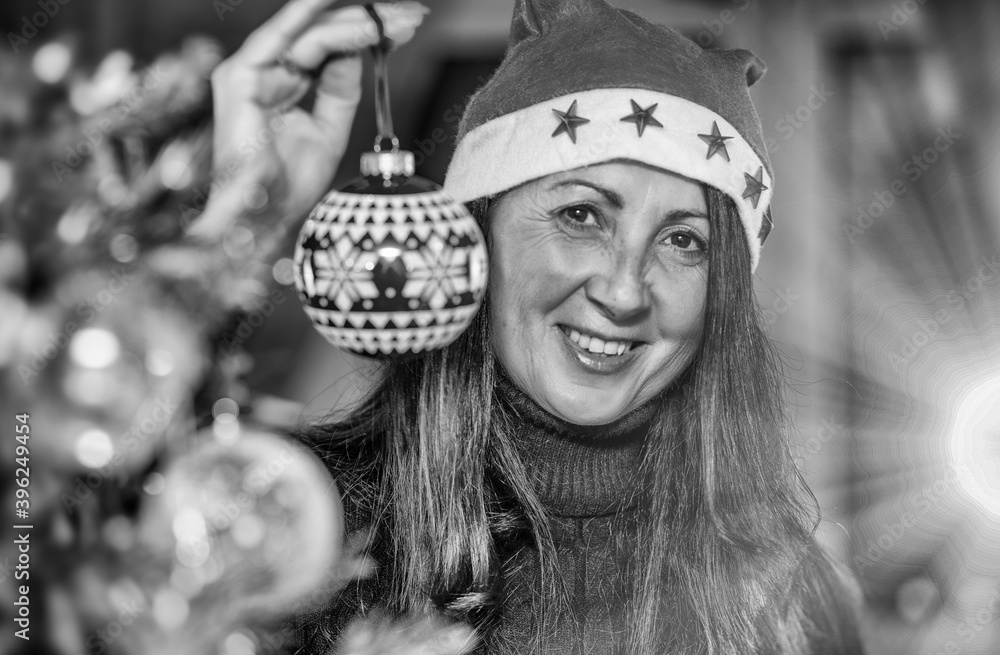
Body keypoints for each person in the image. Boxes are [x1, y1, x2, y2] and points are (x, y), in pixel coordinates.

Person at [206, 0, 866, 652]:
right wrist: (234, 224)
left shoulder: (793, 598)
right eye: (582, 216)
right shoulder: (304, 529)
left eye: (684, 240)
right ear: (478, 232)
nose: (624, 289)